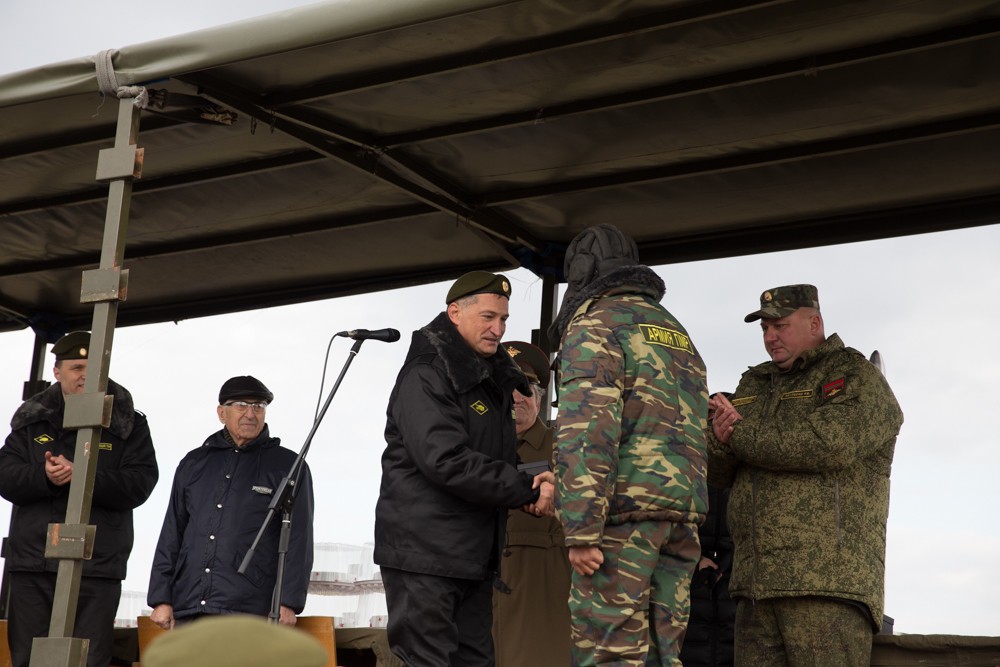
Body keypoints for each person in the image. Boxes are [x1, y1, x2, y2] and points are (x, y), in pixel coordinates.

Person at [708, 284, 904, 666]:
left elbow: (826, 445)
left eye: (779, 326)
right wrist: (718, 438)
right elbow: (718, 474)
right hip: (753, 589)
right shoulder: (755, 383)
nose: (770, 337)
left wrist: (738, 434)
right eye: (764, 328)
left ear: (814, 323)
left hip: (826, 588)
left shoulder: (854, 376)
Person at [374, 271, 556, 667]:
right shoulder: (428, 372)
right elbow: (445, 459)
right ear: (455, 313)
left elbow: (490, 458)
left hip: (471, 557)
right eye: (488, 317)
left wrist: (524, 487)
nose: (498, 329)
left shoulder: (488, 379)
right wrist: (526, 488)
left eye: (503, 319)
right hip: (425, 555)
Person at [548, 224, 709, 666]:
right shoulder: (675, 330)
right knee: (663, 655)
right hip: (681, 520)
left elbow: (587, 432)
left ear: (582, 272)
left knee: (609, 655)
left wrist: (581, 530)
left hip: (622, 522)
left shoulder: (595, 325)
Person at [0, 331, 158, 667]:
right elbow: (5, 475)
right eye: (76, 367)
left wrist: (84, 478)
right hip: (33, 563)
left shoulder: (129, 423)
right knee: (28, 658)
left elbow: (140, 483)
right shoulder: (30, 420)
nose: (85, 375)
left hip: (97, 566)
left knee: (89, 659)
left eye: (93, 367)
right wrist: (43, 476)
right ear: (57, 372)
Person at [147, 375, 314, 628]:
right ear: (221, 412)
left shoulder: (289, 466)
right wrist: (161, 598)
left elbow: (299, 539)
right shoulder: (193, 463)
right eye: (241, 405)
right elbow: (172, 531)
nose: (250, 413)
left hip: (251, 610)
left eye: (258, 406)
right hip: (189, 605)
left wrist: (288, 602)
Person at [491, 341, 571, 667]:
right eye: (505, 388)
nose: (515, 398)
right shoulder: (473, 451)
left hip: (542, 602)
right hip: (481, 603)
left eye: (524, 389)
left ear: (538, 398)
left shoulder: (564, 448)